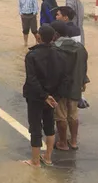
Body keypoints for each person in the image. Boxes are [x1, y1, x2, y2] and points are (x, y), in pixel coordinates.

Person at [22, 25, 64, 167]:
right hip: (52, 97)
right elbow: (64, 78)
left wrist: (44, 95)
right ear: (53, 37)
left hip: (36, 97)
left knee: (35, 127)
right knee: (49, 126)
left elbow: (32, 79)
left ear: (38, 37)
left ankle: (34, 161)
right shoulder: (60, 54)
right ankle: (47, 157)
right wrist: (55, 97)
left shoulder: (32, 55)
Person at [50, 21, 89, 151]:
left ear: (55, 34)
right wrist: (83, 82)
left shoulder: (54, 49)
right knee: (73, 114)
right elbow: (84, 67)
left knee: (60, 115)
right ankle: (73, 141)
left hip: (60, 89)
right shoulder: (80, 48)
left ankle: (62, 142)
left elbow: (52, 71)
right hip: (75, 87)